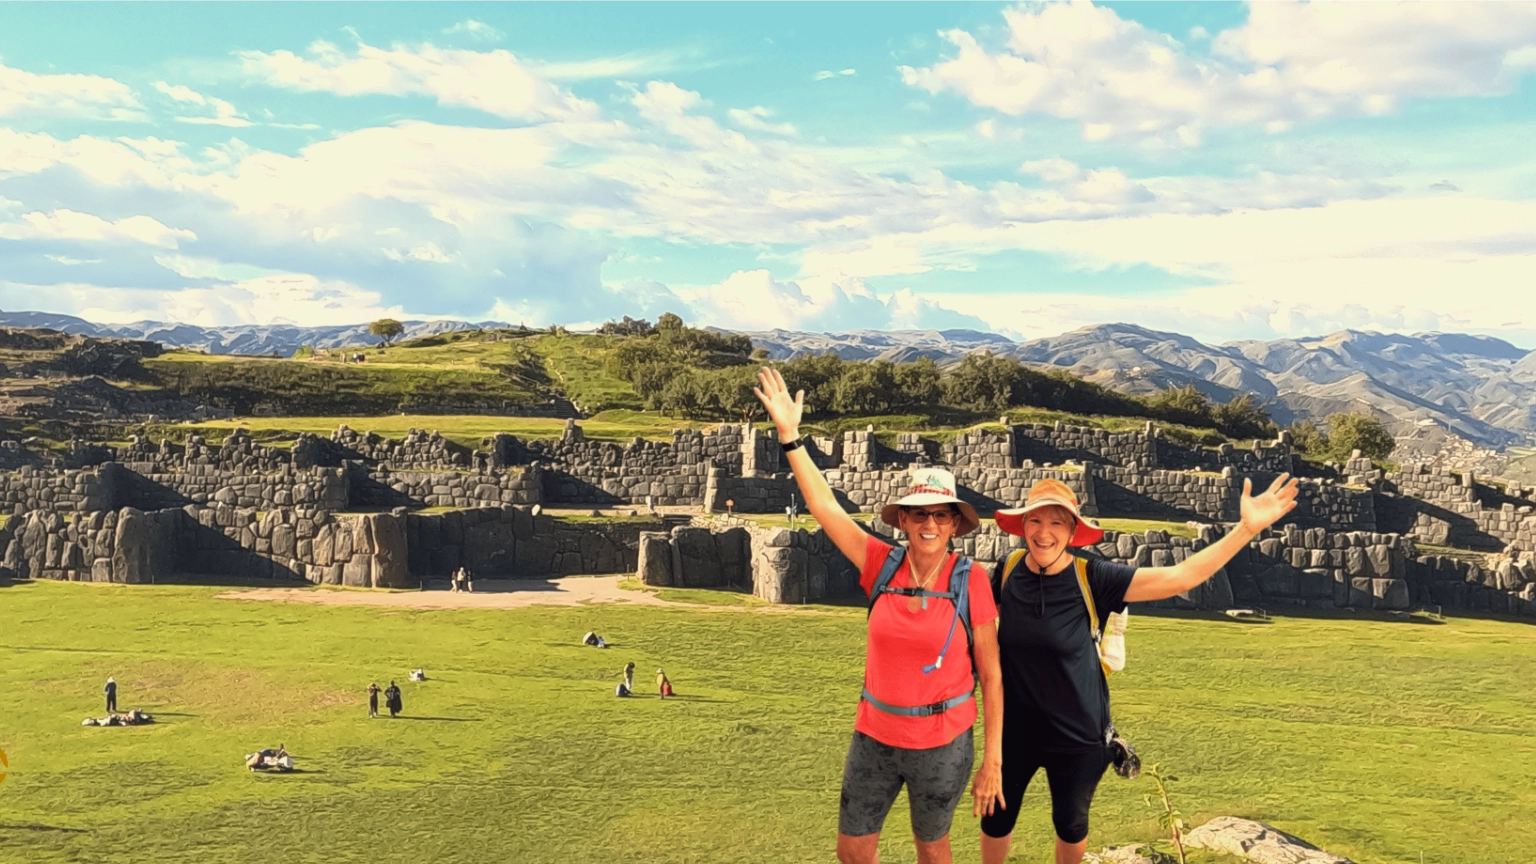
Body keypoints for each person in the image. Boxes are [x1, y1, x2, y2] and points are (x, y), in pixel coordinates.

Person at [754, 366, 1005, 864]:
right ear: (904, 519)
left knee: (932, 850)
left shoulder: (970, 579)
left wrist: (993, 758)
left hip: (943, 742)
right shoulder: (880, 563)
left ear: (955, 523)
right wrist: (790, 436)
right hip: (874, 736)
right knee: (853, 851)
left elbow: (993, 676)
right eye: (919, 514)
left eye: (940, 515)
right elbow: (824, 505)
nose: (929, 524)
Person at [979, 476, 1297, 864]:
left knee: (1070, 823)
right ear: (1023, 526)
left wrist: (1246, 529)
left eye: (1057, 522)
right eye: (1036, 521)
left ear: (1073, 530)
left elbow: (1179, 577)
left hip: (1079, 735)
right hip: (1016, 732)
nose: (1044, 533)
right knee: (995, 817)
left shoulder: (1093, 577)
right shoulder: (1006, 570)